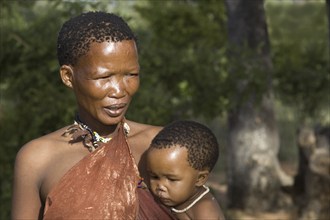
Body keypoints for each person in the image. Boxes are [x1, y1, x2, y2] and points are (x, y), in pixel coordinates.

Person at [11, 11, 175, 220]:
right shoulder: (37, 159)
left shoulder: (164, 145)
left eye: (131, 75)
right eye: (103, 77)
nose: (119, 90)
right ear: (68, 77)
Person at [146, 120, 225, 220]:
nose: (160, 186)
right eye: (154, 177)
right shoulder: (179, 198)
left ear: (200, 178)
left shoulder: (204, 211)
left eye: (171, 179)